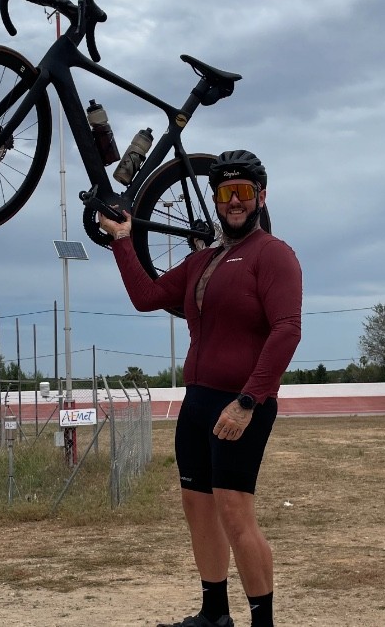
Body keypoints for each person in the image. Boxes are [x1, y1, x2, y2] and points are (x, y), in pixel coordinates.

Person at [99, 150, 302, 627]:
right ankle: (214, 615)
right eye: (226, 193)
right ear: (215, 199)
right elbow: (146, 296)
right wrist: (122, 241)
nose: (235, 202)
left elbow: (287, 331)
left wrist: (248, 401)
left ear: (261, 197)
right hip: (197, 401)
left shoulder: (274, 254)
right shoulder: (202, 260)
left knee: (235, 513)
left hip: (241, 404)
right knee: (197, 508)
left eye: (243, 192)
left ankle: (263, 623)